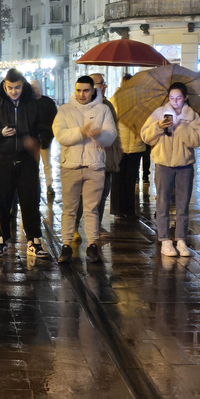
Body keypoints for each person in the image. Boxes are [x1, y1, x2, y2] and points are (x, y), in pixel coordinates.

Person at [0, 68, 49, 259]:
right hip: (4, 159)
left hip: (27, 161)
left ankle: (34, 240)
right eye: (10, 88)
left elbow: (45, 127)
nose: (13, 91)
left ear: (23, 85)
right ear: (4, 85)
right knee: (3, 200)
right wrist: (0, 133)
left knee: (30, 200)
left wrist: (35, 140)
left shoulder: (33, 104)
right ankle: (1, 239)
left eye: (17, 87)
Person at [53, 76, 117, 264]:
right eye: (79, 90)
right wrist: (81, 131)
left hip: (94, 165)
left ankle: (92, 244)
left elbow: (111, 135)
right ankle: (65, 244)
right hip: (70, 165)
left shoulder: (103, 109)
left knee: (92, 209)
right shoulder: (64, 109)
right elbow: (60, 135)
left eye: (86, 90)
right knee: (69, 208)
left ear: (93, 90)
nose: (82, 94)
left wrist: (99, 135)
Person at [140, 83, 200, 257]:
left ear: (184, 97)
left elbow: (196, 140)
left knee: (182, 203)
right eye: (171, 98)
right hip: (163, 164)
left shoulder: (192, 116)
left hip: (184, 165)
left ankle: (181, 239)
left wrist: (181, 126)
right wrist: (159, 127)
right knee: (162, 202)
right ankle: (164, 239)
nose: (175, 101)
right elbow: (145, 136)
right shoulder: (158, 113)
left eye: (178, 98)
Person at [114, 74, 145, 218]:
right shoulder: (115, 99)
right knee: (119, 178)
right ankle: (119, 210)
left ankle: (130, 209)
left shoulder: (141, 100)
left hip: (135, 145)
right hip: (120, 145)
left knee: (131, 179)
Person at [93, 74, 122, 220]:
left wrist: (117, 152)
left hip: (109, 155)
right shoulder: (89, 106)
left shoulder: (108, 104)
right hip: (94, 157)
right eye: (101, 84)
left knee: (104, 192)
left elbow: (114, 130)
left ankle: (96, 225)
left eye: (104, 83)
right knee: (92, 195)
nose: (104, 86)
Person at [30, 79, 58, 204]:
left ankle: (49, 184)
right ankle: (35, 185)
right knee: (33, 164)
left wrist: (50, 135)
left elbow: (55, 120)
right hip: (33, 139)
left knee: (47, 163)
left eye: (36, 87)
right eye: (33, 88)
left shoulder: (48, 102)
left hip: (46, 137)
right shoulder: (29, 103)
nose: (35, 90)